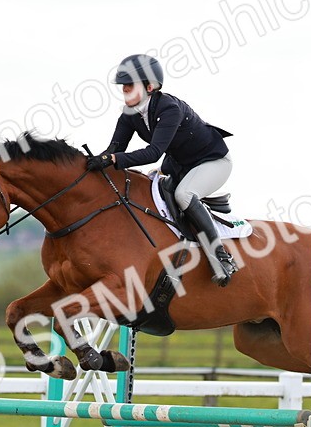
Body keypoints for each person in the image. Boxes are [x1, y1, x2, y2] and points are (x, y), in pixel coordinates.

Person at [86, 54, 239, 286]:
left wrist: (112, 158)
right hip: (181, 164)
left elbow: (154, 152)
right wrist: (92, 163)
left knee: (183, 195)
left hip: (213, 161)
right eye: (123, 86)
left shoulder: (169, 108)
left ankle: (222, 258)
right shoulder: (129, 115)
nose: (125, 90)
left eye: (130, 85)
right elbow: (114, 150)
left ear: (150, 86)